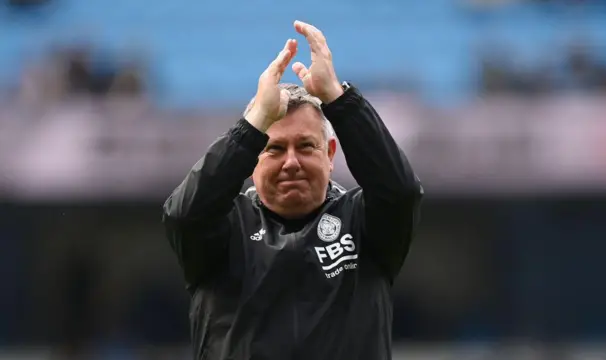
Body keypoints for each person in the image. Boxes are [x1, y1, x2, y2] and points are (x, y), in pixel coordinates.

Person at [162, 20, 423, 360]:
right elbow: (183, 215)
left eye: (305, 146)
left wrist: (337, 100)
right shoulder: (226, 229)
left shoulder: (363, 224)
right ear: (251, 156)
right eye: (274, 148)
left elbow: (400, 192)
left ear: (330, 154)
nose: (291, 163)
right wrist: (253, 123)